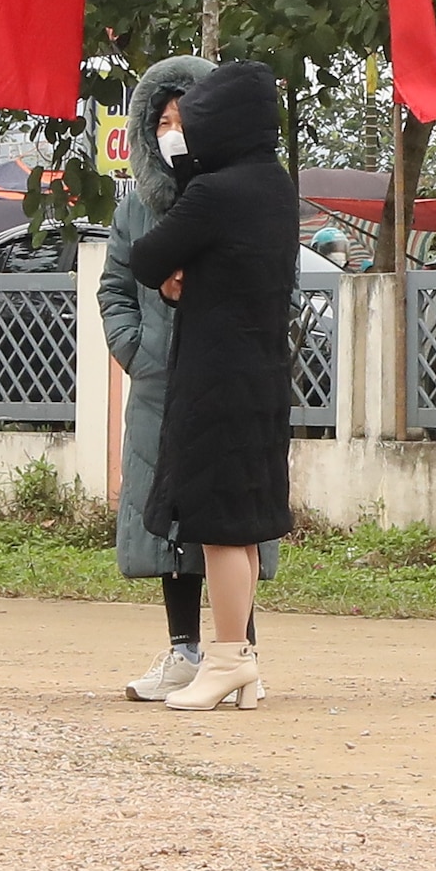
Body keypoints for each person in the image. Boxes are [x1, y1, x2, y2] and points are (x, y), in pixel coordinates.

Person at [122, 61, 300, 713]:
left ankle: (224, 658)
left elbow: (146, 258)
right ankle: (243, 664)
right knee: (245, 524)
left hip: (214, 374)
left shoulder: (214, 193)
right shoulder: (277, 187)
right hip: (263, 373)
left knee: (219, 526)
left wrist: (177, 265)